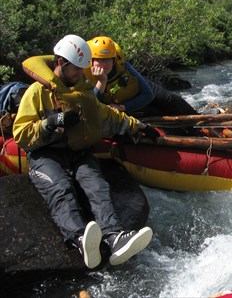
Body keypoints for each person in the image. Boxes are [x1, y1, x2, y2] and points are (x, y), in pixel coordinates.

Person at [12, 34, 161, 269]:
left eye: (83, 69)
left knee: (98, 187)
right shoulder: (36, 92)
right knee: (61, 189)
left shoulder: (83, 91)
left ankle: (114, 237)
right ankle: (79, 238)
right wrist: (48, 123)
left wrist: (138, 126)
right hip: (45, 155)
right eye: (77, 69)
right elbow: (20, 134)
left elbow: (107, 115)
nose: (82, 73)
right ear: (61, 63)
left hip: (78, 153)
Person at [86, 36, 198, 117]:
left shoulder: (123, 65)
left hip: (141, 93)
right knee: (158, 113)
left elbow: (148, 94)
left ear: (114, 60)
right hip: (129, 107)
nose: (104, 64)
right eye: (99, 60)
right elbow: (92, 106)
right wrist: (101, 82)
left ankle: (201, 123)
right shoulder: (86, 75)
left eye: (107, 60)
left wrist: (123, 107)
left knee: (172, 100)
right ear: (91, 61)